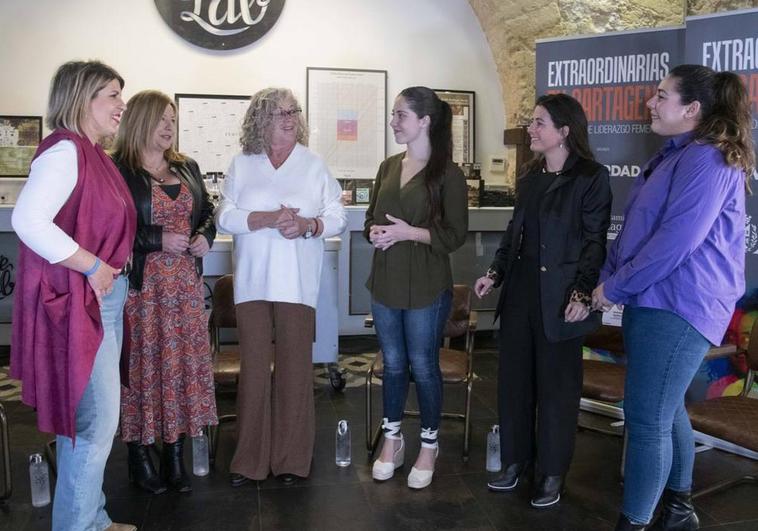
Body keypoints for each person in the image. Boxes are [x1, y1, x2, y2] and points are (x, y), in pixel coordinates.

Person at [592, 65, 754, 531]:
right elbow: (638, 233)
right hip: (654, 299)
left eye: (661, 96)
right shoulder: (674, 154)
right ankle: (679, 510)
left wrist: (615, 287)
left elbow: (676, 241)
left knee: (646, 420)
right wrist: (608, 275)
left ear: (692, 109)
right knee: (666, 408)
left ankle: (636, 522)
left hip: (681, 305)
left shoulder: (708, 159)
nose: (650, 102)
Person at [10, 61, 137, 531]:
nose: (121, 104)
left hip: (96, 298)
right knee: (95, 423)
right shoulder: (65, 150)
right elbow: (28, 221)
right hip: (83, 300)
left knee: (86, 422)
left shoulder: (90, 152)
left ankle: (92, 519)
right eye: (111, 94)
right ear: (82, 97)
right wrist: (94, 265)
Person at [474, 93, 612, 507]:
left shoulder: (591, 176)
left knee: (557, 390)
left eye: (538, 123)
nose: (531, 130)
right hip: (519, 294)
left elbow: (594, 243)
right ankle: (516, 462)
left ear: (564, 131)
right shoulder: (531, 176)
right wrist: (494, 273)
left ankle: (552, 473)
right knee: (514, 384)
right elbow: (515, 232)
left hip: (561, 300)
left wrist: (581, 293)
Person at [216, 87, 346, 486]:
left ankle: (291, 460)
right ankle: (249, 461)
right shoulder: (244, 164)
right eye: (278, 113)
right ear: (260, 120)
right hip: (253, 282)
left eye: (293, 111)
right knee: (253, 371)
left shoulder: (313, 164)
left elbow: (337, 213)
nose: (289, 119)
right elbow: (224, 216)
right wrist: (264, 219)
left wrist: (310, 225)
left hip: (297, 283)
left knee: (294, 370)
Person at [112, 90, 218, 494]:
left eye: (173, 120)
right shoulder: (118, 170)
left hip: (185, 289)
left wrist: (205, 235)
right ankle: (139, 457)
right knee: (143, 370)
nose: (169, 127)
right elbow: (111, 228)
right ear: (140, 121)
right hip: (143, 289)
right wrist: (157, 238)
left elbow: (207, 210)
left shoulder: (186, 165)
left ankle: (174, 455)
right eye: (161, 119)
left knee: (181, 369)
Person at [366, 86, 468, 490]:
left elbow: (456, 234)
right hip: (386, 281)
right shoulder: (388, 166)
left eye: (400, 115)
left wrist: (411, 232)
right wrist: (374, 231)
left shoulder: (449, 174)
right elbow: (372, 217)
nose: (393, 122)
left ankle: (429, 444)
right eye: (393, 115)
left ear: (425, 121)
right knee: (392, 364)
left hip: (427, 286)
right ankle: (392, 440)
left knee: (423, 365)